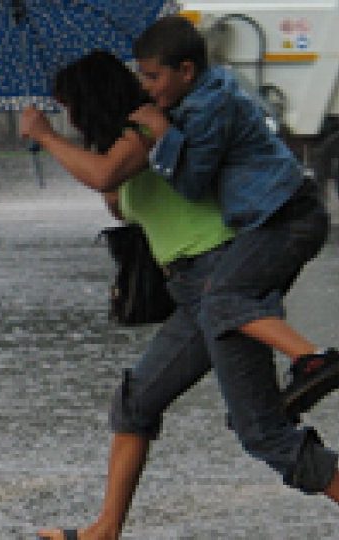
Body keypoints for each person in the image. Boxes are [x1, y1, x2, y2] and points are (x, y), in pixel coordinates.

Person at [19, 51, 339, 540]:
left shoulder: (147, 128)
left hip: (222, 281)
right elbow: (115, 194)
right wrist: (73, 152)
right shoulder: (122, 147)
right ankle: (105, 529)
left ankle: (314, 362)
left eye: (70, 108)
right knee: (135, 403)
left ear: (90, 100)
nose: (69, 120)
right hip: (191, 292)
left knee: (262, 431)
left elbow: (105, 175)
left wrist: (47, 136)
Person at [128, 15, 339, 418]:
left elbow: (191, 184)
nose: (146, 87)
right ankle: (277, 396)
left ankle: (314, 359)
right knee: (240, 301)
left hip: (285, 217)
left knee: (224, 298)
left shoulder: (208, 108)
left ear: (186, 71)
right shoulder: (207, 95)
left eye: (153, 77)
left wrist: (162, 134)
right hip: (282, 215)